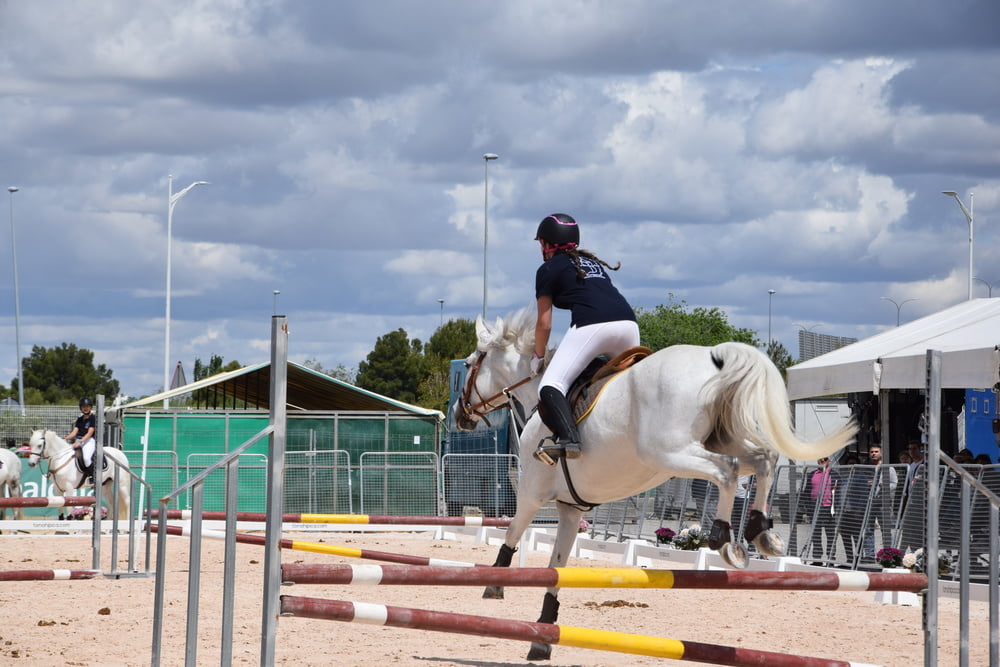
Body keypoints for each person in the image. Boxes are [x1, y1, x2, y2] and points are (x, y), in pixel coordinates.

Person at [530, 213, 639, 461]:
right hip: (629, 324)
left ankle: (570, 440)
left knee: (550, 386)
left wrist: (538, 356)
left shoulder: (547, 269)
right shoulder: (592, 263)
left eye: (541, 243)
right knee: (635, 385)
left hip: (594, 326)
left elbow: (544, 324)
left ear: (547, 244)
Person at [861, 444, 898, 560]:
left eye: (876, 451)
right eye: (871, 452)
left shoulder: (888, 468)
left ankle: (888, 555)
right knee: (868, 530)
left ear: (881, 453)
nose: (873, 454)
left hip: (883, 503)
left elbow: (894, 483)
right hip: (869, 503)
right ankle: (870, 555)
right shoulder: (866, 468)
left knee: (885, 530)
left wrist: (884, 485)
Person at [808, 456, 839, 565]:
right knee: (816, 534)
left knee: (830, 534)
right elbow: (807, 490)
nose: (822, 461)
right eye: (820, 459)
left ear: (829, 461)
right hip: (814, 507)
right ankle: (817, 558)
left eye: (824, 459)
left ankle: (830, 558)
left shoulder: (834, 474)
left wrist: (837, 508)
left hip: (828, 508)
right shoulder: (812, 474)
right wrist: (806, 506)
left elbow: (838, 492)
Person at [66, 397, 98, 484]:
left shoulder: (93, 418)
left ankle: (92, 476)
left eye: (87, 406)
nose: (85, 408)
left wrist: (80, 442)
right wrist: (64, 439)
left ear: (91, 407)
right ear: (81, 408)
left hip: (88, 441)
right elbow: (74, 432)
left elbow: (90, 433)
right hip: (78, 440)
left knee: (86, 458)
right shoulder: (79, 419)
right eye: (83, 406)